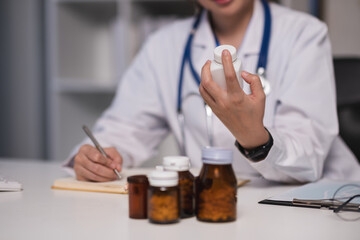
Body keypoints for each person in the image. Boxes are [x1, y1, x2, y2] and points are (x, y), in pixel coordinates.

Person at [64, 0, 360, 183]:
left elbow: (309, 159)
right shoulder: (163, 46)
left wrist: (254, 137)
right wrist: (97, 157)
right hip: (215, 204)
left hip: (315, 206)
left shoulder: (304, 34)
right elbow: (124, 128)